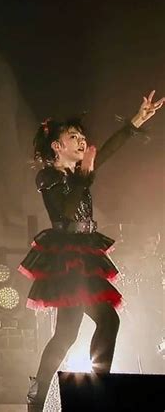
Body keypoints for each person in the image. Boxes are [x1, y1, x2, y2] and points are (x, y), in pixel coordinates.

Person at [18, 91, 164, 410]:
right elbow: (66, 212)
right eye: (74, 136)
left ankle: (56, 394)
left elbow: (108, 149)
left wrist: (136, 119)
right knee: (91, 326)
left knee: (73, 333)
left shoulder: (80, 172)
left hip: (85, 251)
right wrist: (85, 175)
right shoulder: (49, 176)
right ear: (57, 146)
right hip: (66, 255)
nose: (82, 141)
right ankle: (55, 394)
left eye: (83, 137)